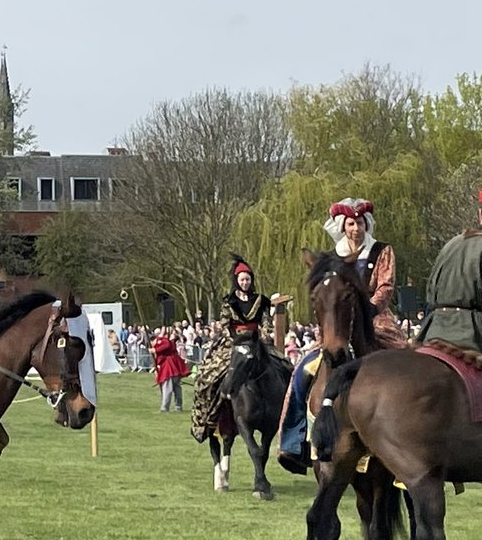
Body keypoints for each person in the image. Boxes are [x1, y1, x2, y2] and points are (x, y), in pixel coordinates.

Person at [277, 197, 407, 473]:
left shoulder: (382, 251)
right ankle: (294, 441)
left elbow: (385, 286)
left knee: (407, 363)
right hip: (337, 324)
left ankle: (412, 437)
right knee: (302, 369)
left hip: (375, 318)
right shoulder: (332, 258)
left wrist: (368, 309)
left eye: (360, 223)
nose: (356, 228)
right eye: (351, 223)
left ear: (366, 224)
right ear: (342, 226)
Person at [190, 255, 273, 443]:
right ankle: (207, 419)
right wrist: (236, 339)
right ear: (237, 280)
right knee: (207, 377)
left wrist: (266, 335)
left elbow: (266, 322)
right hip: (233, 343)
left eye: (248, 279)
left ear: (251, 280)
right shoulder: (229, 301)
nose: (245, 282)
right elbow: (225, 325)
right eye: (242, 279)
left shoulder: (261, 300)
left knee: (284, 368)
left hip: (257, 342)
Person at [413, 189, 482, 350]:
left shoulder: (452, 243)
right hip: (472, 336)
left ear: (480, 215)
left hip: (434, 329)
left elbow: (430, 291)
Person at [150, 327, 190, 412]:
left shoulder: (164, 341)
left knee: (167, 387)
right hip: (173, 366)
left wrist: (155, 349)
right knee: (176, 387)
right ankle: (178, 407)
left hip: (169, 367)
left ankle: (165, 408)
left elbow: (165, 345)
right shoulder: (168, 342)